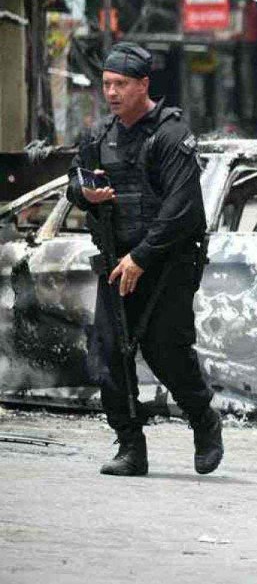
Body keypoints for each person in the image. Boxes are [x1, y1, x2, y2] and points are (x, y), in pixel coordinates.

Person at [66, 42, 222, 477]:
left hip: (168, 262)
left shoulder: (170, 135)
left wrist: (142, 257)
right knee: (109, 353)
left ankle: (203, 420)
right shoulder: (101, 138)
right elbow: (74, 183)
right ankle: (131, 445)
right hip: (119, 261)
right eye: (107, 85)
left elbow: (182, 208)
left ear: (144, 85)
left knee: (164, 349)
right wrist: (85, 193)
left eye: (121, 84)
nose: (112, 93)